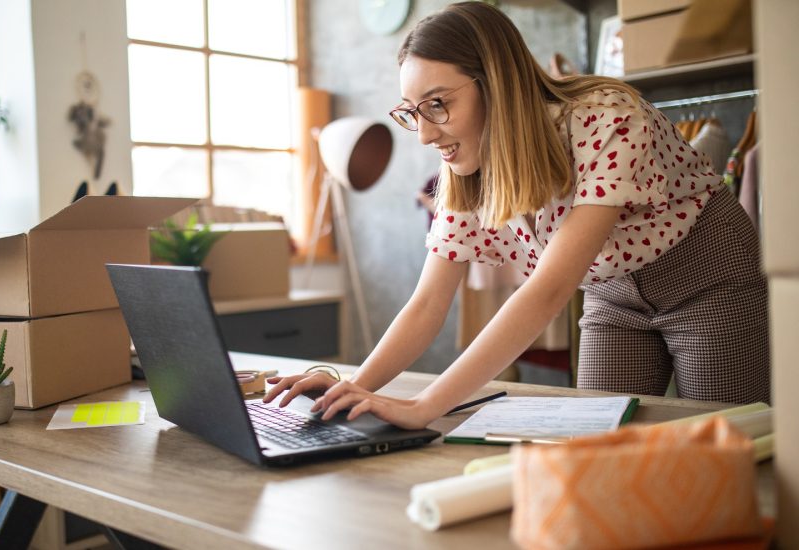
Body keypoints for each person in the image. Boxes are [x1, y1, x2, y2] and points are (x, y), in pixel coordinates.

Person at [264, 2, 769, 429]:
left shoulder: (609, 118)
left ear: (498, 85)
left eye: (437, 104)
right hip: (613, 295)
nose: (424, 134)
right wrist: (350, 387)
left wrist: (425, 406)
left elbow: (548, 291)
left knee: (726, 438)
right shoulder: (464, 173)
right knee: (597, 443)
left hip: (707, 277)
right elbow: (427, 303)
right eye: (413, 111)